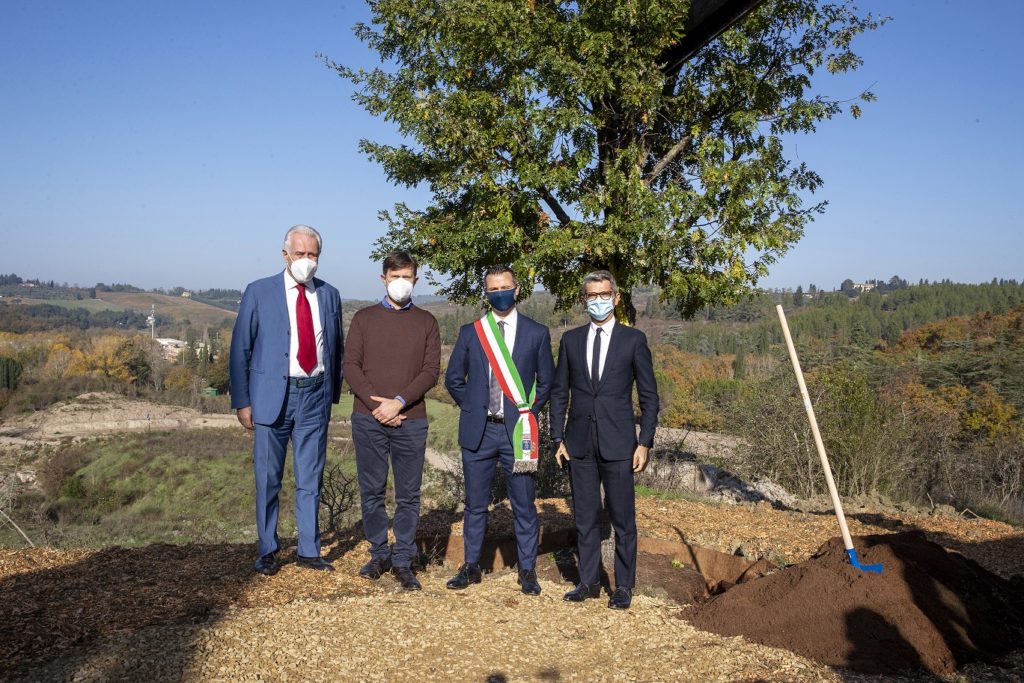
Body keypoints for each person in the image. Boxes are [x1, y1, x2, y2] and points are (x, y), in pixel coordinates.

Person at [229, 225, 344, 575]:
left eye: (313, 255)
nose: (306, 261)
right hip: (270, 398)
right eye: (300, 254)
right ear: (285, 255)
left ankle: (309, 550)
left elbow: (336, 347)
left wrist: (331, 396)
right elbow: (240, 349)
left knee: (311, 477)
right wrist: (243, 402)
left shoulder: (329, 294)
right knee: (268, 478)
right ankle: (267, 549)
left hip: (315, 395)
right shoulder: (258, 292)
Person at [549, 270, 659, 609]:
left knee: (623, 519)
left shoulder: (633, 340)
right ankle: (588, 582)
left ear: (616, 297)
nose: (598, 301)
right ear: (584, 299)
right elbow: (558, 393)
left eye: (604, 294)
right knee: (584, 517)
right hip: (578, 444)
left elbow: (650, 397)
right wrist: (558, 438)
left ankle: (624, 586)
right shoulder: (570, 340)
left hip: (620, 444)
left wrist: (645, 442)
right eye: (591, 295)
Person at [444, 265, 555, 595]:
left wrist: (526, 414)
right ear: (486, 292)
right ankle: (471, 567)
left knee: (523, 505)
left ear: (517, 289)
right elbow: (453, 380)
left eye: (504, 287)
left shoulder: (536, 333)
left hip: (517, 435)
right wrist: (474, 406)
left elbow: (547, 382)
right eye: (492, 289)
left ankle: (528, 571)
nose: (499, 294)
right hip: (479, 432)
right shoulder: (471, 332)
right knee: (475, 506)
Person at [343, 251, 441, 591]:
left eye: (407, 276)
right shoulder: (363, 319)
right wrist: (378, 406)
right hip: (368, 419)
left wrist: (399, 403)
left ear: (416, 280)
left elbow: (431, 372)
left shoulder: (427, 322)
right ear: (383, 278)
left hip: (411, 419)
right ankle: (379, 554)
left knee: (408, 495)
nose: (401, 282)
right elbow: (351, 366)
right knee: (371, 491)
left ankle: (403, 560)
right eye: (395, 275)